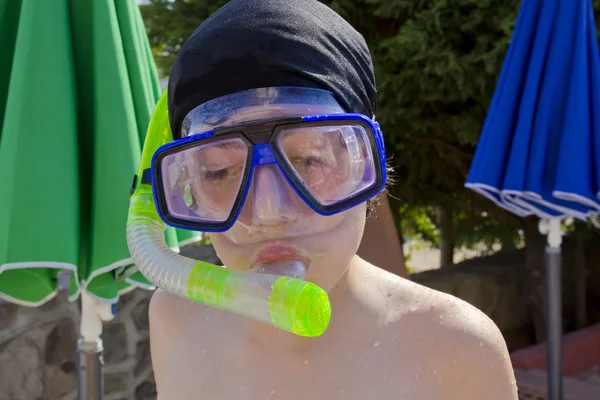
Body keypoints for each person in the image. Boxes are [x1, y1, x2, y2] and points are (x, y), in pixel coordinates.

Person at [148, 0, 518, 398]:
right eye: (220, 171)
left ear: (365, 165)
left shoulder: (456, 350)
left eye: (309, 159)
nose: (269, 212)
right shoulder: (174, 316)